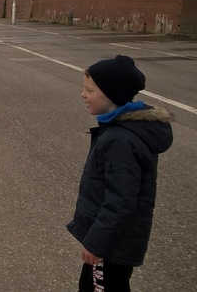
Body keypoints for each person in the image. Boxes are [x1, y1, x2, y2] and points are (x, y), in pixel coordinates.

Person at [68, 55, 173, 291]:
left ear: (111, 95)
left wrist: (96, 244)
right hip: (112, 242)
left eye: (89, 90)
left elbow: (121, 201)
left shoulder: (120, 140)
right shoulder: (120, 130)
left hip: (111, 246)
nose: (83, 95)